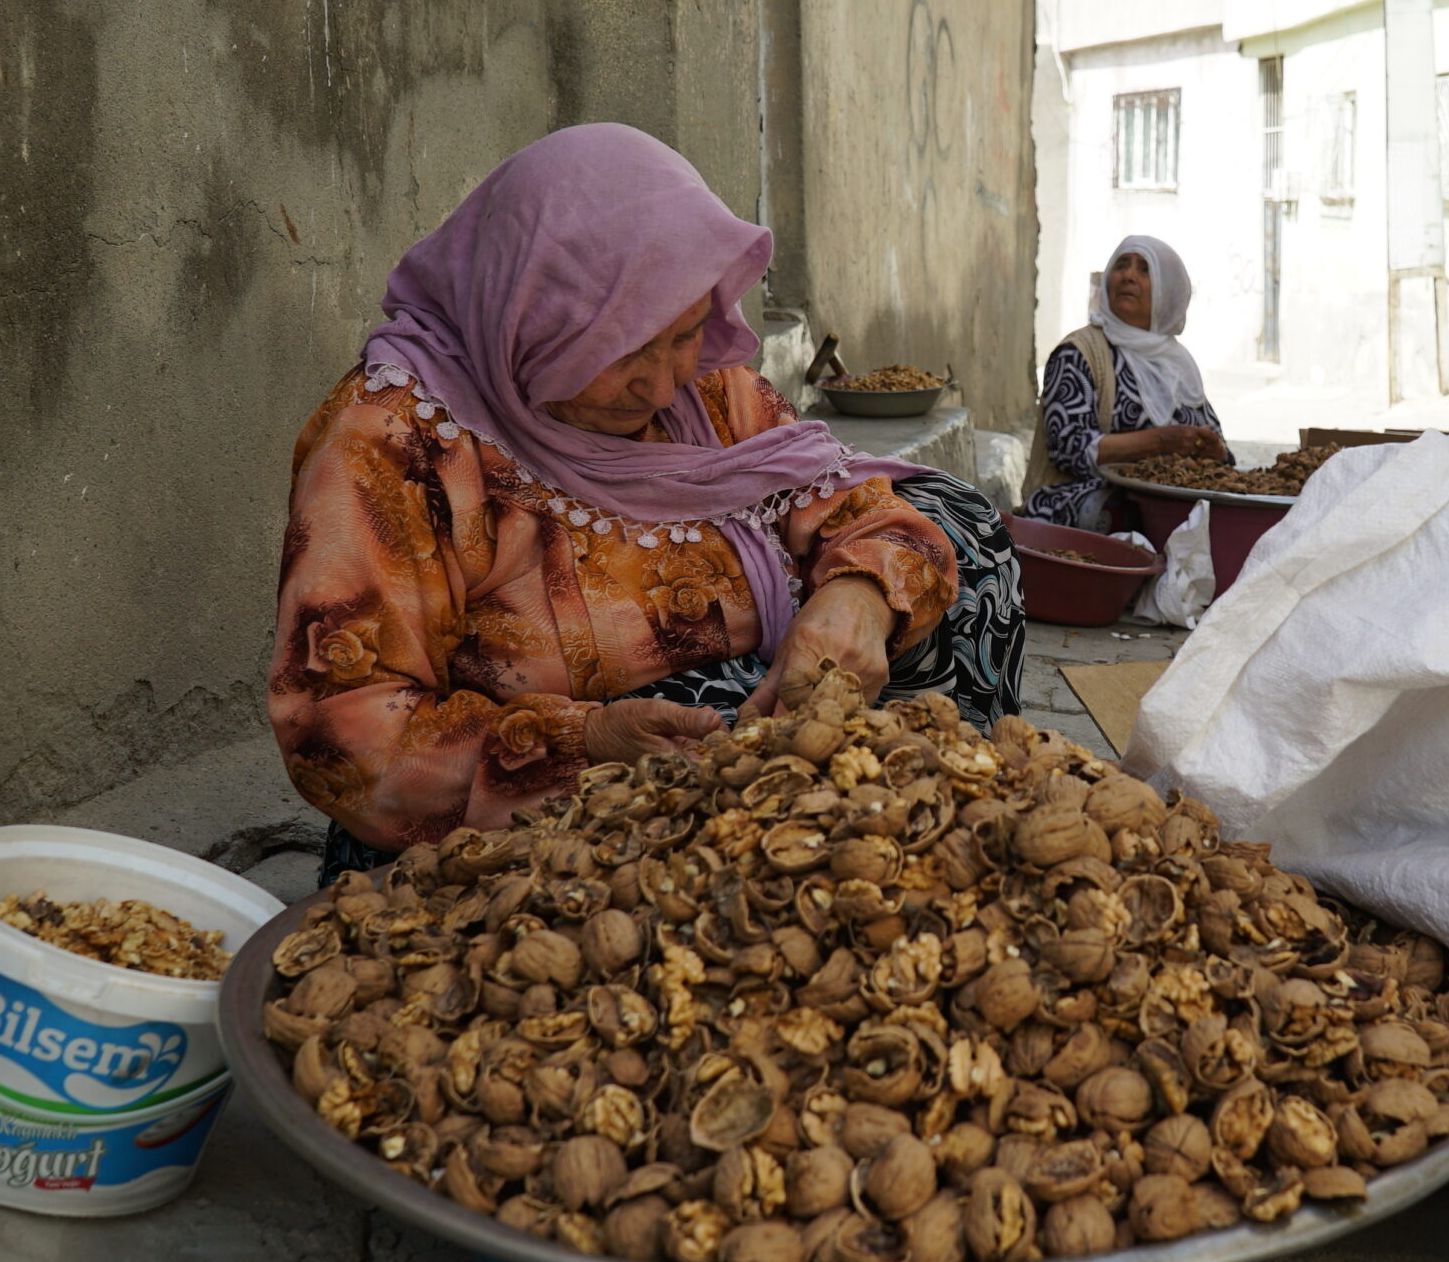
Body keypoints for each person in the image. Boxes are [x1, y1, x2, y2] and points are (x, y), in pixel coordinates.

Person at [272, 124, 1024, 880]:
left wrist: (858, 598)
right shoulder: (394, 445)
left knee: (966, 532)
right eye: (624, 350)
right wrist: (586, 743)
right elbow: (342, 734)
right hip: (537, 835)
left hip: (751, 787)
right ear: (529, 318)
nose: (665, 386)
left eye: (687, 334)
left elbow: (860, 507)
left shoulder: (707, 391)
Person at [1023, 235, 1228, 532]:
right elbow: (1067, 448)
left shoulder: (1178, 364)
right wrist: (1161, 442)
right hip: (1084, 504)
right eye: (1121, 265)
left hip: (1169, 502)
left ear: (1168, 292)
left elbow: (1221, 453)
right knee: (1129, 514)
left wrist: (1214, 451)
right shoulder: (1080, 352)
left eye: (1144, 270)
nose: (1128, 275)